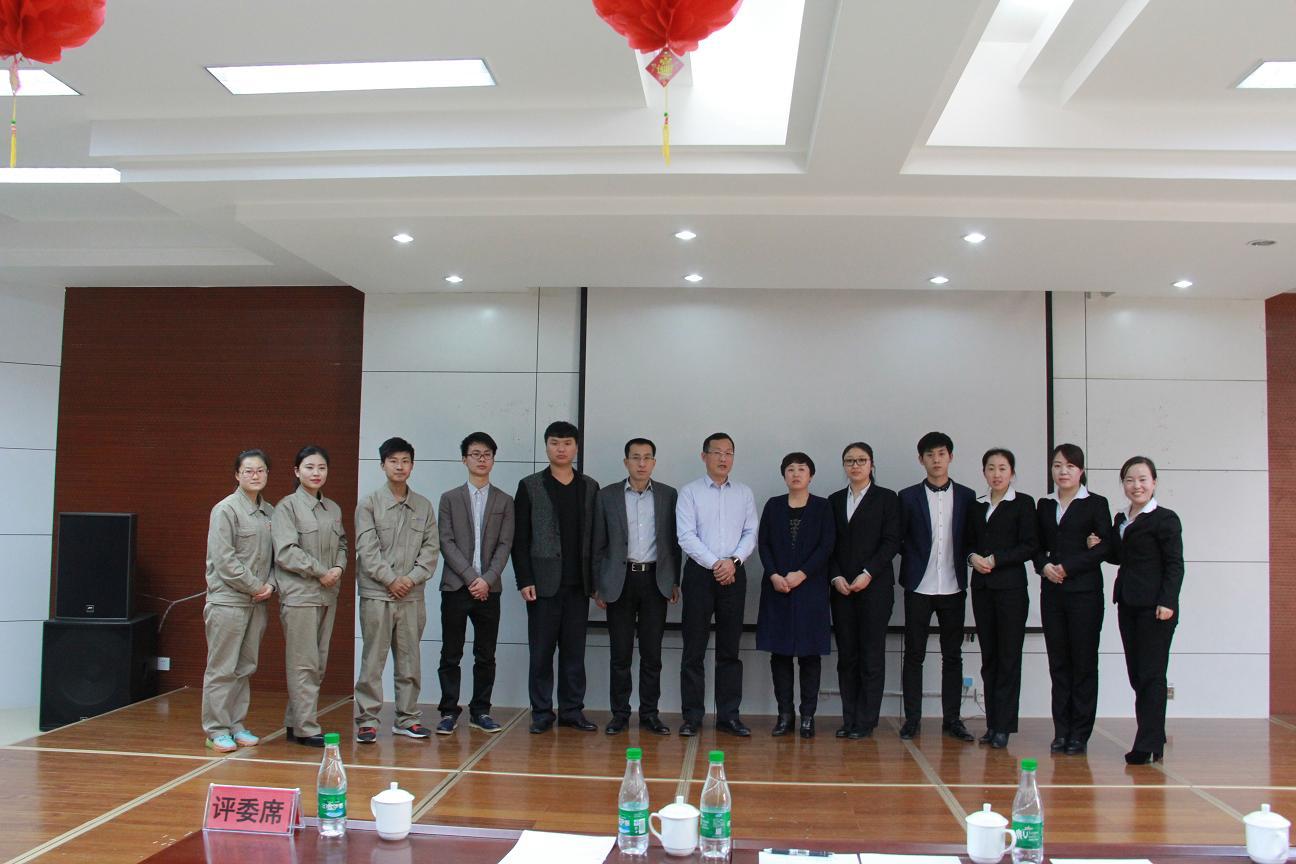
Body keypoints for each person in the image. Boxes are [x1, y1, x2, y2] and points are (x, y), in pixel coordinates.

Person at [513, 421, 600, 734]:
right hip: (542, 584)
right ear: (546, 446)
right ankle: (541, 713)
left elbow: (597, 537)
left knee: (574, 654)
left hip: (579, 585)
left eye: (567, 443)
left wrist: (596, 583)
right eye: (554, 443)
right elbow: (519, 538)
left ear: (576, 447)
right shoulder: (530, 485)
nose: (561, 449)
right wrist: (524, 579)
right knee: (541, 653)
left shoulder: (590, 486)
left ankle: (572, 711)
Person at [353, 437, 440, 743]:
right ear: (382, 465)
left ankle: (408, 718)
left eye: (405, 461)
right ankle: (367, 720)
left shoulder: (423, 506)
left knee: (409, 660)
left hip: (411, 596)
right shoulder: (368, 504)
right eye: (393, 461)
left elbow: (431, 550)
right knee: (373, 661)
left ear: (412, 465)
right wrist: (391, 580)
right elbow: (367, 550)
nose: (399, 467)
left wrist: (410, 579)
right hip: (378, 594)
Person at [592, 437, 680, 736]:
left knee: (652, 655)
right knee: (620, 654)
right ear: (626, 462)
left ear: (654, 462)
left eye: (647, 458)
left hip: (655, 580)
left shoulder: (668, 495)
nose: (641, 463)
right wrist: (597, 585)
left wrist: (674, 580)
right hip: (620, 581)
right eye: (635, 457)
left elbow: (674, 543)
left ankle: (650, 714)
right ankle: (619, 714)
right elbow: (597, 544)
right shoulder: (607, 496)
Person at [676, 432, 759, 738]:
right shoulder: (690, 492)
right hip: (700, 575)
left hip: (734, 574)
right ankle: (692, 716)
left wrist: (732, 561)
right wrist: (716, 564)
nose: (724, 458)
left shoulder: (744, 493)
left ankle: (729, 716)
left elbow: (751, 532)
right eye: (717, 452)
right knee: (693, 649)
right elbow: (686, 536)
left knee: (730, 649)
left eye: (729, 453)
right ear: (704, 456)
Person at [1102, 456, 1183, 765]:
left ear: (1154, 483)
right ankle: (1154, 737)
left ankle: (1146, 743)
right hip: (1127, 603)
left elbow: (1175, 564)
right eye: (1130, 480)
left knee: (1152, 674)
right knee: (1137, 675)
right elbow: (1119, 555)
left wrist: (1168, 601)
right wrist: (1099, 543)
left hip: (1155, 608)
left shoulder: (1165, 519)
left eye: (1142, 479)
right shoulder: (1121, 518)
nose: (1136, 485)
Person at [897, 431, 977, 741]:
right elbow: (900, 538)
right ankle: (912, 719)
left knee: (952, 655)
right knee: (914, 654)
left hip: (953, 586)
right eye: (930, 455)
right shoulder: (907, 496)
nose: (936, 460)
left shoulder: (967, 496)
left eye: (941, 454)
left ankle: (952, 720)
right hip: (919, 585)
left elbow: (970, 538)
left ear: (950, 457)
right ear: (921, 460)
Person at [1034, 443, 1111, 756]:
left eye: (1069, 466)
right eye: (1057, 465)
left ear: (1081, 470)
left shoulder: (1096, 503)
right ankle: (1061, 731)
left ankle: (1079, 733)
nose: (1063, 471)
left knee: (1083, 663)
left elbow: (1104, 548)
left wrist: (1068, 566)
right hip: (1052, 593)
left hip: (1085, 595)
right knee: (1059, 664)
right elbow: (1035, 546)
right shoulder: (1044, 504)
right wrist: (1044, 566)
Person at [435, 432, 515, 735]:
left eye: (487, 455)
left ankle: (480, 711)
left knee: (485, 654)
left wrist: (487, 580)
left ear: (493, 460)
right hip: (456, 587)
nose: (481, 459)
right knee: (451, 653)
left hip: (489, 590)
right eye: (475, 454)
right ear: (464, 459)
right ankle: (448, 711)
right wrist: (472, 578)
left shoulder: (505, 500)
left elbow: (505, 545)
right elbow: (446, 542)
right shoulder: (449, 498)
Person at [272, 445, 347, 748]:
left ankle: (295, 722)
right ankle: (306, 727)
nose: (316, 473)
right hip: (300, 595)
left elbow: (343, 544)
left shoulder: (333, 508)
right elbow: (286, 552)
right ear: (297, 471)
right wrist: (320, 571)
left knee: (318, 663)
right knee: (303, 663)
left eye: (321, 468)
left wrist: (338, 567)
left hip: (327, 594)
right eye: (309, 467)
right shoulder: (286, 507)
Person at [756, 452, 836, 739]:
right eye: (790, 469)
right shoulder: (773, 505)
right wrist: (774, 575)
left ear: (810, 475)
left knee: (809, 656)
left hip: (811, 590)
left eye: (802, 469)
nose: (796, 474)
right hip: (777, 589)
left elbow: (827, 545)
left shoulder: (823, 507)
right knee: (780, 655)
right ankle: (785, 715)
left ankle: (808, 716)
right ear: (784, 475)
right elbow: (763, 543)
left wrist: (802, 574)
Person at [201, 449, 276, 753]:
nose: (255, 476)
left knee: (245, 667)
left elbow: (277, 557)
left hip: (257, 602)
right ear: (237, 475)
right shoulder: (225, 509)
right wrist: (256, 586)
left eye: (260, 470)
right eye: (248, 471)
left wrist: (270, 585)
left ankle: (236, 724)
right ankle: (216, 729)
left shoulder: (270, 512)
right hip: (228, 602)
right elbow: (224, 560)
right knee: (222, 667)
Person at [965, 448, 1037, 750]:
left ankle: (1004, 726)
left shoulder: (1023, 503)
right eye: (991, 468)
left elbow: (1030, 545)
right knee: (990, 658)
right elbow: (967, 542)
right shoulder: (977, 505)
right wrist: (972, 557)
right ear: (984, 472)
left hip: (1011, 590)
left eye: (1003, 468)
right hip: (982, 589)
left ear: (1012, 472)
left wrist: (996, 559)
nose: (996, 474)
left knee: (1008, 658)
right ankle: (992, 723)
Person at [828, 442, 901, 740]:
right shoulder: (834, 501)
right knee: (847, 656)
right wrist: (835, 576)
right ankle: (849, 719)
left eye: (861, 460)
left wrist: (868, 573)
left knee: (871, 655)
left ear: (872, 464)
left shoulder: (887, 499)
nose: (855, 465)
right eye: (850, 461)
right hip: (842, 589)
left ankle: (866, 721)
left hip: (875, 588)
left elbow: (891, 541)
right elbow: (828, 544)